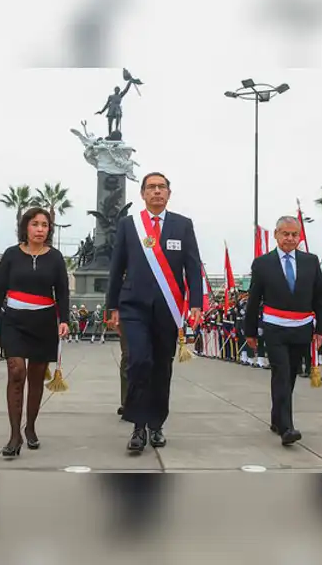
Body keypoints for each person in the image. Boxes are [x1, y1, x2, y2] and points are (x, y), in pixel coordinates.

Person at [106, 172, 203, 453]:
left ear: (169, 194)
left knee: (162, 367)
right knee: (138, 362)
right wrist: (112, 306)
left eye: (162, 187)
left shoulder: (182, 225)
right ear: (143, 194)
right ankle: (138, 426)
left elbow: (192, 266)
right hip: (133, 306)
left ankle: (156, 424)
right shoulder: (128, 225)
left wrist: (195, 302)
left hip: (168, 309)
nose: (157, 192)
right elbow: (116, 268)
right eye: (151, 187)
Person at [0, 208, 70, 458]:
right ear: (26, 227)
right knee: (16, 372)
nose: (40, 229)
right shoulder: (12, 255)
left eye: (45, 225)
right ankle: (14, 435)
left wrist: (64, 320)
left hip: (43, 322)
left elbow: (63, 292)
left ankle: (30, 426)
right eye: (35, 224)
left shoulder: (55, 258)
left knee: (35, 378)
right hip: (13, 321)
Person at [244, 216, 322, 446]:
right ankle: (287, 427)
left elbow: (320, 297)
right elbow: (253, 299)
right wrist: (249, 330)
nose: (290, 238)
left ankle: (276, 417)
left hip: (301, 328)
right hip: (275, 328)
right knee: (281, 372)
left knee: (289, 375)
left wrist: (321, 329)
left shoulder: (310, 261)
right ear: (276, 235)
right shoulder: (262, 263)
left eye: (294, 234)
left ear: (300, 237)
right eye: (285, 234)